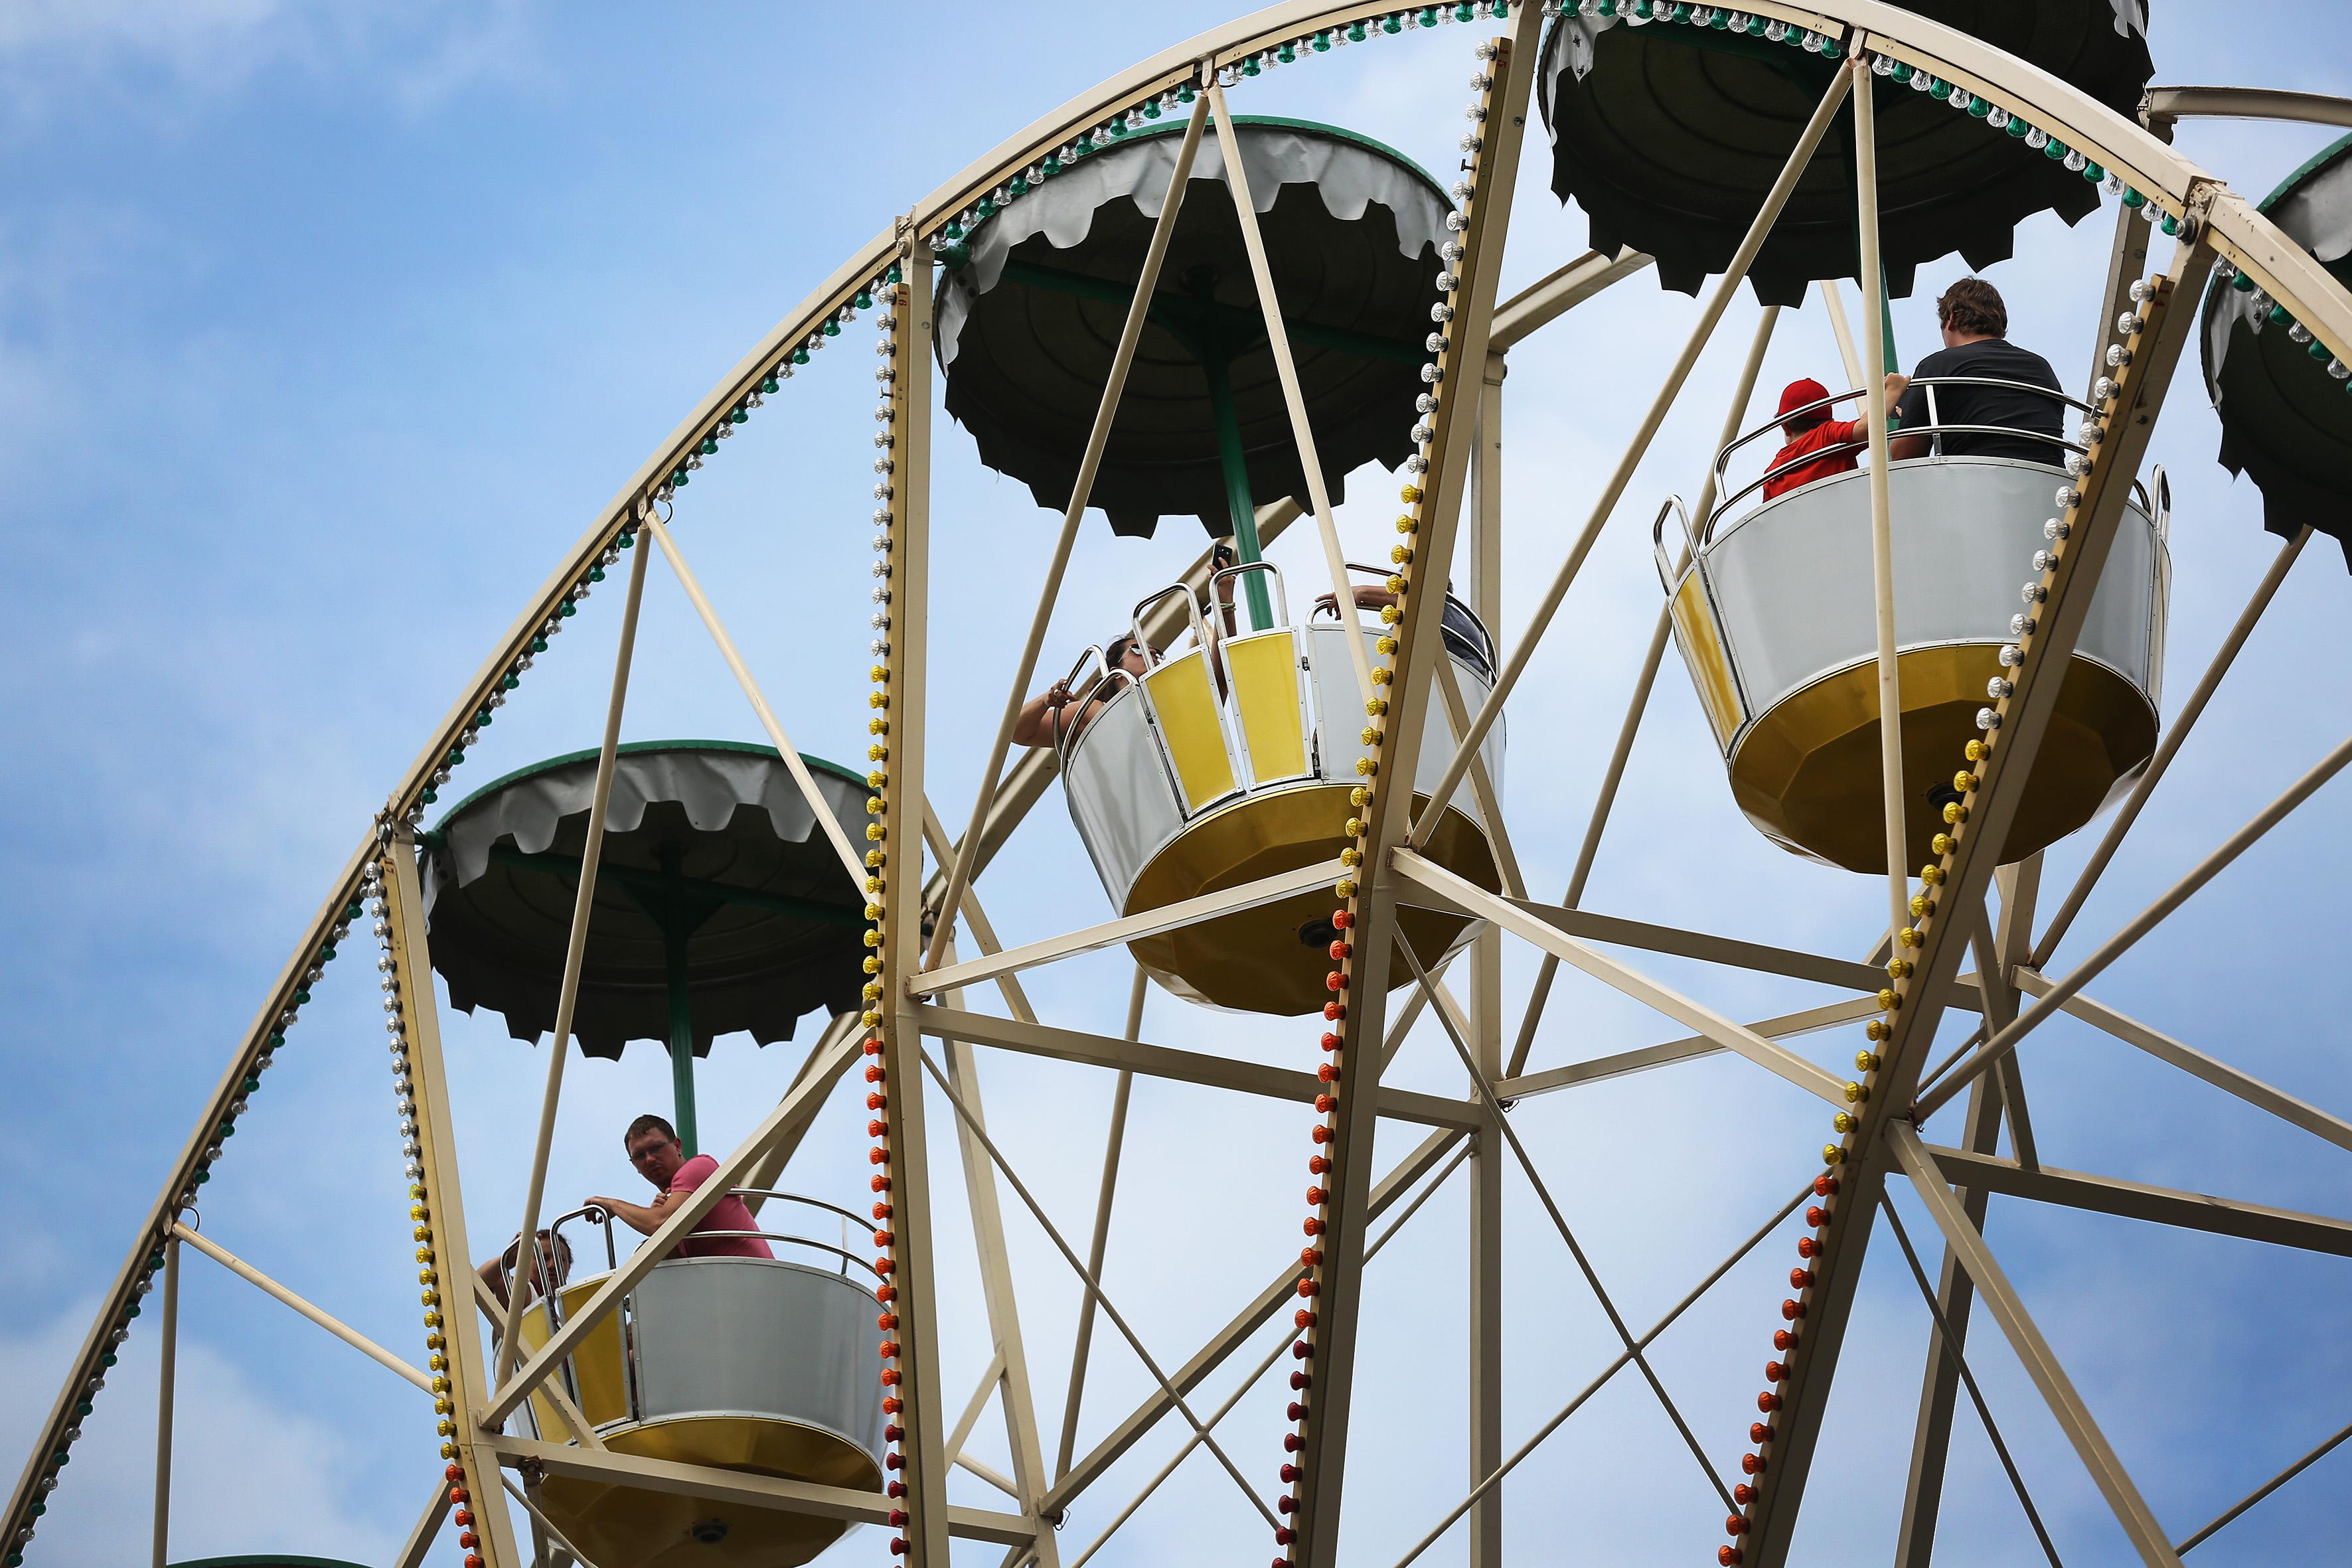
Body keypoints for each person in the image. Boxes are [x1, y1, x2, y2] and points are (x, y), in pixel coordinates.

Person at [1891, 277, 2063, 463]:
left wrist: (1908, 420)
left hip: (1974, 482)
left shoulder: (1937, 365)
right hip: (2050, 482)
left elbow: (1904, 455)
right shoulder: (2042, 367)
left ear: (1951, 319)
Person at [586, 1114, 773, 1260]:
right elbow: (678, 1263)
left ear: (677, 1146)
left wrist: (613, 1205)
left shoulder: (699, 1167)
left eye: (656, 1148)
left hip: (751, 1282)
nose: (650, 1159)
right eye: (640, 1156)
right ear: (634, 1165)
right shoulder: (672, 1204)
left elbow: (659, 1222)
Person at [1761, 372, 1909, 501]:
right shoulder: (1826, 434)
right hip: (1841, 518)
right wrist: (1892, 391)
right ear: (1828, 420)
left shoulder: (1773, 471)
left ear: (1784, 426)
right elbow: (1866, 428)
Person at [1012, 633, 1156, 748]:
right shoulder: (1098, 711)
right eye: (1138, 649)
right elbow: (1016, 732)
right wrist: (1045, 701)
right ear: (1117, 673)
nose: (1152, 652)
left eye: (1158, 653)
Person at [475, 1227, 573, 1313]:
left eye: (560, 1260)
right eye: (544, 1258)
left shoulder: (561, 1324)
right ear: (526, 1262)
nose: (552, 1265)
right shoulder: (526, 1294)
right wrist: (508, 1259)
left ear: (569, 1266)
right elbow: (476, 1282)